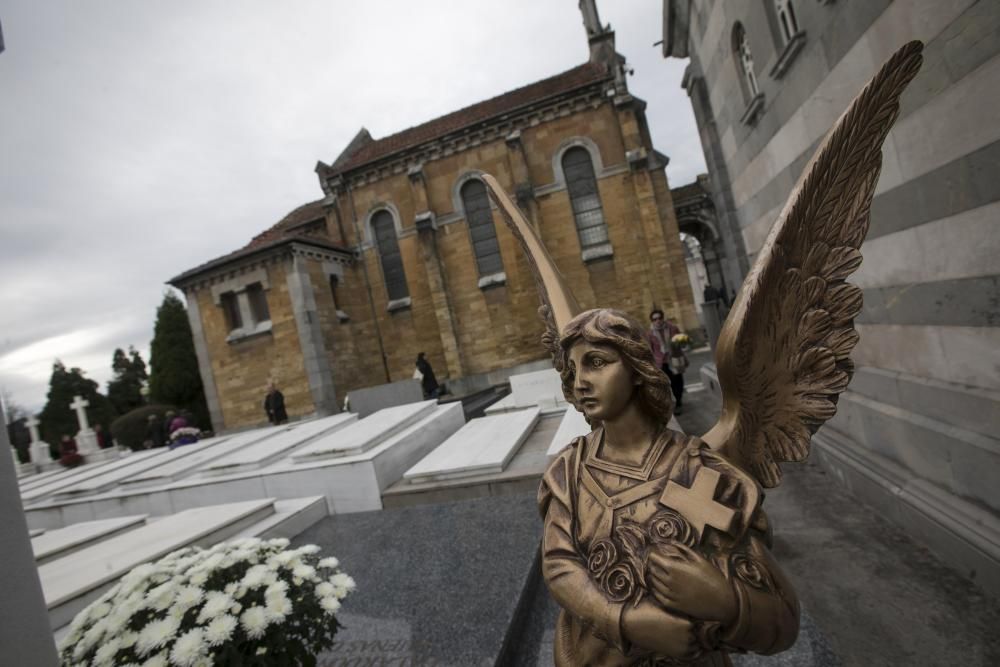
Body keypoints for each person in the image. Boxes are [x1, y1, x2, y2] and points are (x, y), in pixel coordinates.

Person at [539, 309, 798, 665]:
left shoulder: (697, 471)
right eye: (574, 368)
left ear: (636, 370)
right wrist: (626, 621)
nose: (580, 381)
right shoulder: (568, 471)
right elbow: (559, 565)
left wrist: (724, 600)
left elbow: (782, 621)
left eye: (596, 363)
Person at [646, 308, 686, 414]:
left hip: (674, 359)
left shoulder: (673, 328)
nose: (657, 321)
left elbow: (681, 341)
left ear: (663, 318)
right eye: (655, 319)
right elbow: (650, 349)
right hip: (661, 362)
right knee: (666, 384)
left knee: (678, 381)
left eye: (659, 318)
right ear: (652, 321)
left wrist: (680, 343)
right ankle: (671, 403)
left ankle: (678, 402)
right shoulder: (650, 334)